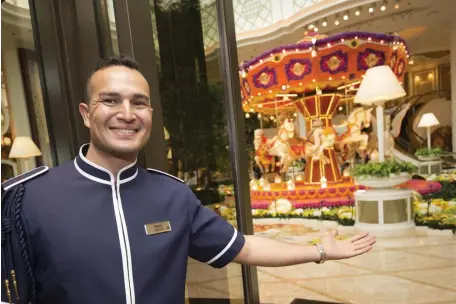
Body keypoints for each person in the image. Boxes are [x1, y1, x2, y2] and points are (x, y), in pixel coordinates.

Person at [1, 55, 375, 304]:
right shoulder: (29, 198)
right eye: (111, 101)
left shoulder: (172, 196)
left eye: (139, 102)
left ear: (150, 112)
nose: (127, 114)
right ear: (86, 113)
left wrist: (321, 251)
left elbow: (241, 247)